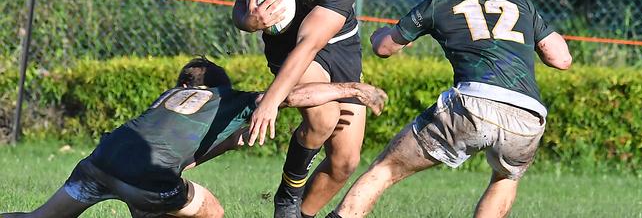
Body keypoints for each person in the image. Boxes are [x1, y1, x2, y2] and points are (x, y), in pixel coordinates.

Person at [326, 0, 573, 218]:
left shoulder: (441, 0)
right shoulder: (520, 2)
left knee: (385, 169)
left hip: (473, 103)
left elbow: (385, 48)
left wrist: (378, 36)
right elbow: (561, 59)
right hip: (527, 114)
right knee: (505, 178)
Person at [1, 57, 387, 218]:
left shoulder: (167, 100)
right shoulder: (224, 99)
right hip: (146, 179)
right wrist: (353, 89)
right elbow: (295, 96)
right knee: (214, 210)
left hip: (98, 163)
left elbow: (182, 151)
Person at [231, 0, 365, 218]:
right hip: (287, 49)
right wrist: (251, 21)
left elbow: (312, 42)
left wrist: (271, 103)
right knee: (323, 118)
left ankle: (298, 214)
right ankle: (287, 197)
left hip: (337, 49)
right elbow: (238, 10)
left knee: (345, 161)